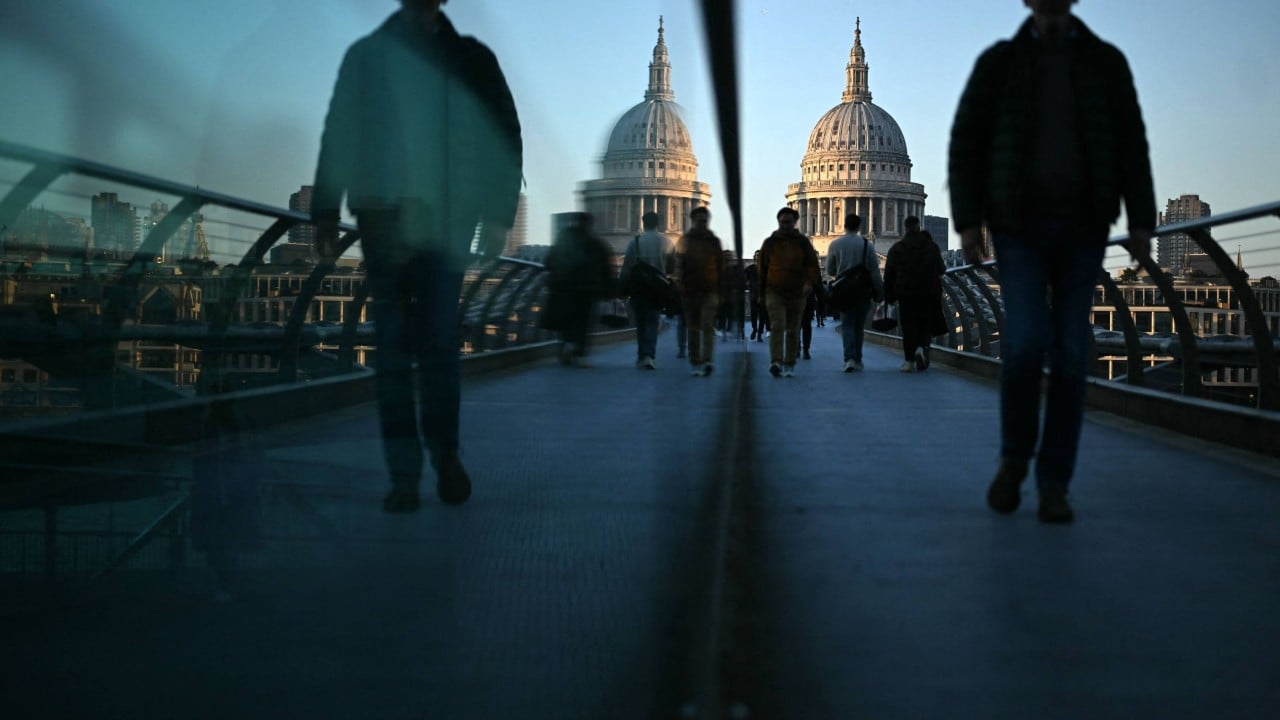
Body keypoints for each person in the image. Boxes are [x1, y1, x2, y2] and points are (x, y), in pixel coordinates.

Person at [312, 0, 523, 512]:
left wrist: (498, 214)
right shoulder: (368, 56)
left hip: (445, 219)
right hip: (385, 216)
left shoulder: (470, 58)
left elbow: (506, 134)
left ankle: (442, 455)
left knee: (435, 345)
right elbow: (339, 131)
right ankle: (406, 472)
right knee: (395, 350)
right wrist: (323, 208)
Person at [949, 0, 1155, 523]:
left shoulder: (1106, 62)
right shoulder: (998, 62)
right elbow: (967, 142)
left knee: (1069, 354)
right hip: (1017, 227)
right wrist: (970, 220)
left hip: (1084, 226)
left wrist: (1142, 219)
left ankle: (1054, 482)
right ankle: (1015, 459)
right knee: (1022, 347)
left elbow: (1132, 141)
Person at [543, 213, 613, 367]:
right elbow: (606, 270)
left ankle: (565, 345)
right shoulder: (596, 243)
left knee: (565, 320)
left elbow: (548, 262)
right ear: (589, 225)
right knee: (583, 322)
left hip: (562, 289)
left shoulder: (562, 240)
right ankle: (577, 350)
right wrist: (609, 291)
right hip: (586, 291)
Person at [758, 207, 821, 377]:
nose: (785, 225)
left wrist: (808, 282)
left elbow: (813, 266)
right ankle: (776, 361)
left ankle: (789, 362)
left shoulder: (803, 242)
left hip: (797, 292)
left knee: (793, 329)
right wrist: (760, 293)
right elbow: (761, 269)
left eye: (788, 222)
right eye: (782, 222)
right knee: (777, 326)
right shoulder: (770, 243)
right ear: (778, 222)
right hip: (774, 291)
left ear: (795, 223)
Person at [883, 217, 946, 373]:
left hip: (906, 293)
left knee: (908, 326)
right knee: (925, 324)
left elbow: (889, 274)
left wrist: (888, 294)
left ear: (905, 228)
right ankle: (922, 348)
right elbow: (942, 269)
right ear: (919, 227)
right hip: (928, 292)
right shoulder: (932, 247)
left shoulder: (897, 248)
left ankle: (909, 360)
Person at [825, 213, 883, 372]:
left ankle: (849, 358)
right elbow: (874, 271)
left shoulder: (835, 244)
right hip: (862, 291)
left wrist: (841, 271)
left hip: (844, 290)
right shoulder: (867, 245)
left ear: (844, 225)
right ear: (859, 227)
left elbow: (830, 269)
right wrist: (880, 291)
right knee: (859, 326)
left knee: (847, 324)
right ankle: (857, 358)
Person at [620, 211, 675, 369]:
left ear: (643, 223)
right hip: (657, 289)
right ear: (659, 223)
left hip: (638, 289)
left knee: (641, 324)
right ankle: (650, 356)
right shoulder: (667, 242)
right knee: (653, 321)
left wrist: (621, 288)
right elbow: (672, 267)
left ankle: (641, 355)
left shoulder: (634, 242)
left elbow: (626, 268)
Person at [675, 206, 725, 376]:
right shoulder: (685, 241)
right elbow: (678, 265)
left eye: (704, 221)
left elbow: (721, 266)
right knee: (694, 329)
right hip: (690, 290)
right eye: (699, 221)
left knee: (707, 326)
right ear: (693, 221)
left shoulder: (714, 241)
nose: (702, 224)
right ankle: (696, 361)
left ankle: (707, 360)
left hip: (710, 290)